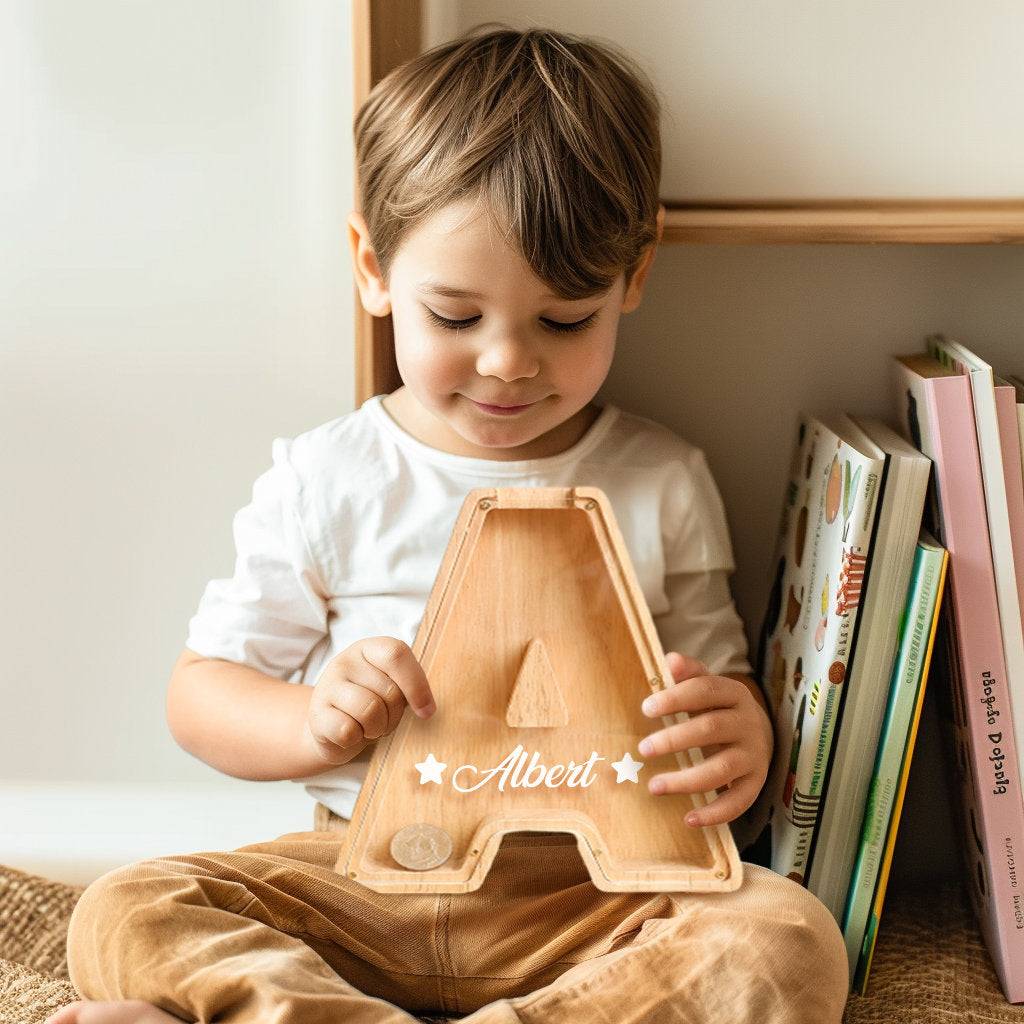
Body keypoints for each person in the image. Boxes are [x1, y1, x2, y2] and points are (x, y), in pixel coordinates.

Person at [53, 24, 849, 1024]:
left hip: (584, 904)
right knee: (125, 909)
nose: (509, 361)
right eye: (455, 316)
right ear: (372, 267)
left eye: (564, 320)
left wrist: (740, 736)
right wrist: (312, 719)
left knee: (788, 940)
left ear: (632, 278)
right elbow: (200, 695)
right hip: (357, 880)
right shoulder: (331, 476)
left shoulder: (661, 481)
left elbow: (710, 687)